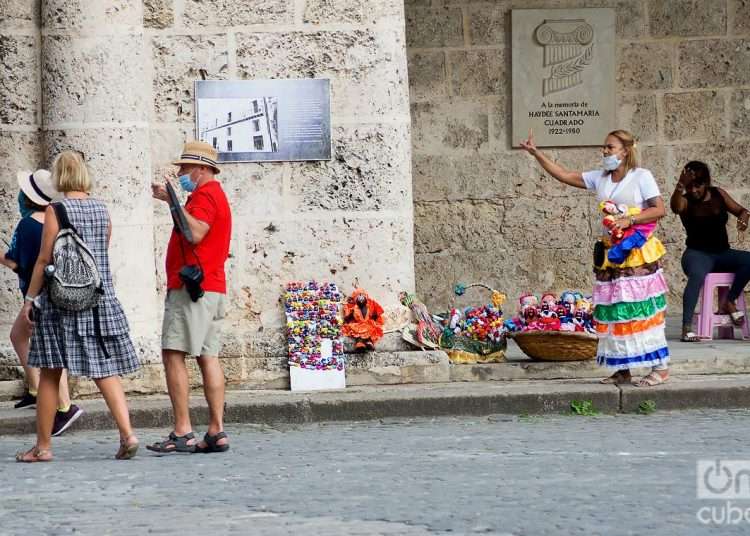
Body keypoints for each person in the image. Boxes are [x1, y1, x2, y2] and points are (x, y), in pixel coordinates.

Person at [16, 151, 140, 462]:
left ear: (60, 177)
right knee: (105, 370)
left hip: (63, 303)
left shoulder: (56, 210)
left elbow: (46, 258)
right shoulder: (101, 209)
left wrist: (30, 300)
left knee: (49, 372)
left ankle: (43, 447)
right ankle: (128, 435)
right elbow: (100, 252)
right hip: (98, 299)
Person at [520, 129, 670, 387]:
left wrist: (630, 219)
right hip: (610, 254)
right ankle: (622, 369)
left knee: (639, 308)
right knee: (613, 309)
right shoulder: (600, 178)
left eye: (610, 147)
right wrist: (537, 154)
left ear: (625, 151)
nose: (605, 151)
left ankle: (660, 366)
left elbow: (659, 209)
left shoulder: (641, 177)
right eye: (605, 147)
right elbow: (565, 175)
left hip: (635, 253)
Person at [148, 140, 232, 454]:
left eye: (184, 167)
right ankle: (216, 430)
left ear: (199, 168)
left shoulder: (206, 195)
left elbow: (194, 232)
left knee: (173, 353)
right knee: (208, 356)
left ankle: (182, 430)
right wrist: (173, 200)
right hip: (211, 287)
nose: (180, 172)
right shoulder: (212, 195)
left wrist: (172, 200)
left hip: (193, 289)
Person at [2, 169, 83, 436]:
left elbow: (21, 265)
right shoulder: (54, 218)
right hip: (58, 291)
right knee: (20, 337)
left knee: (50, 354)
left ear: (28, 196)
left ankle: (64, 407)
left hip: (39, 297)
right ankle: (37, 390)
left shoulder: (28, 225)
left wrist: (2, 256)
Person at [669, 160, 750, 341]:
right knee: (697, 276)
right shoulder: (685, 200)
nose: (694, 190)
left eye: (698, 186)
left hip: (723, 254)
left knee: (748, 260)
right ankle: (686, 328)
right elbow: (675, 207)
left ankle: (730, 301)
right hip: (697, 254)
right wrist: (680, 185)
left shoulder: (718, 194)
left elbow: (741, 210)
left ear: (706, 183)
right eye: (690, 187)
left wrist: (744, 219)